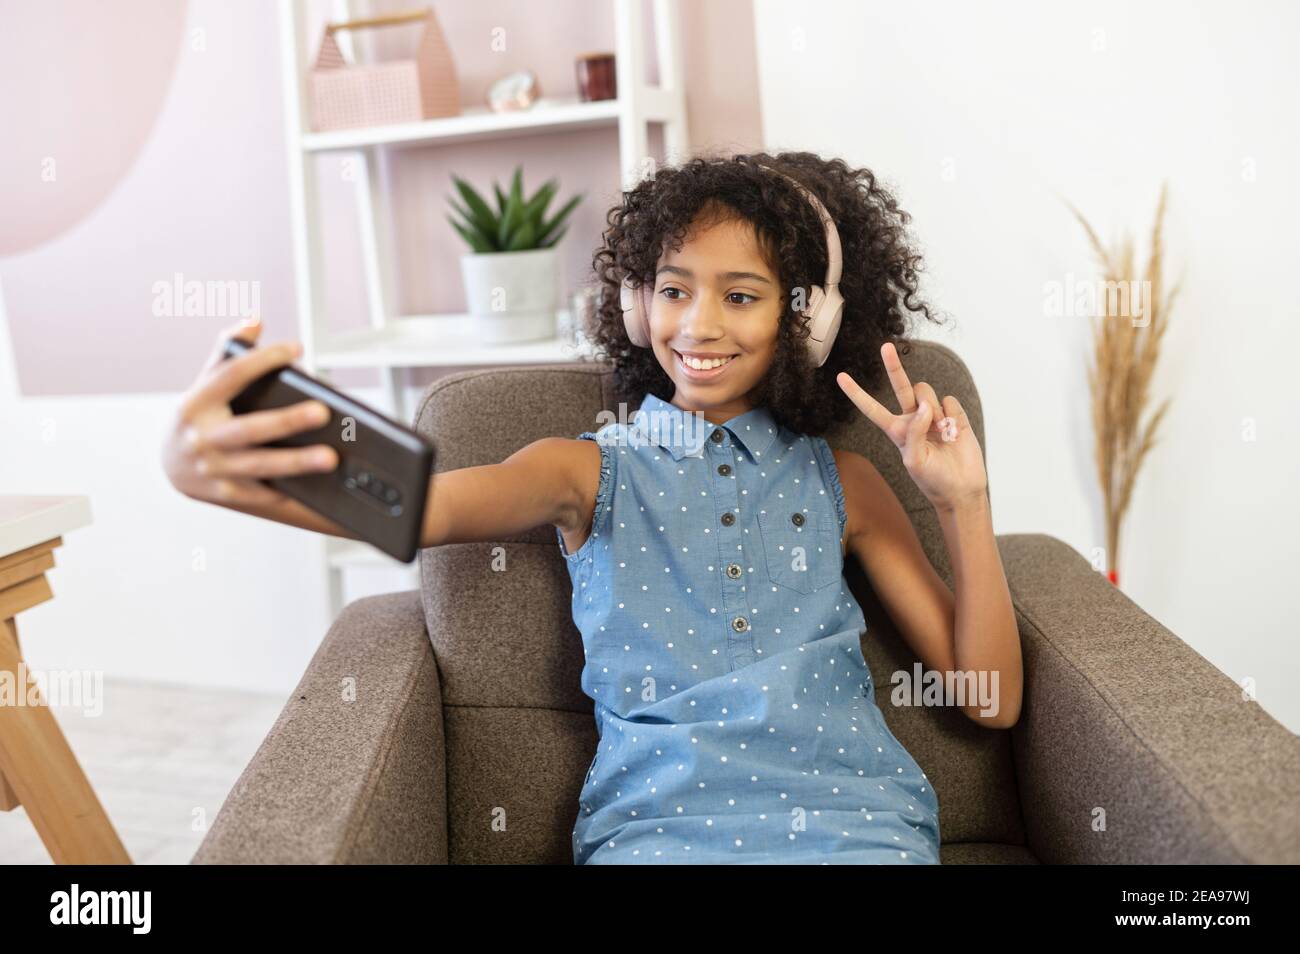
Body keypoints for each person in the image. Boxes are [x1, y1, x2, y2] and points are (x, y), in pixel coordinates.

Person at [161, 150, 1022, 865]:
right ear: (635, 303)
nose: (700, 324)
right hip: (657, 834)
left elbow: (991, 700)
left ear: (809, 321)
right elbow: (420, 506)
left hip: (855, 829)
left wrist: (964, 504)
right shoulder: (584, 472)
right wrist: (234, 475)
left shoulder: (846, 483)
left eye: (742, 295)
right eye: (675, 289)